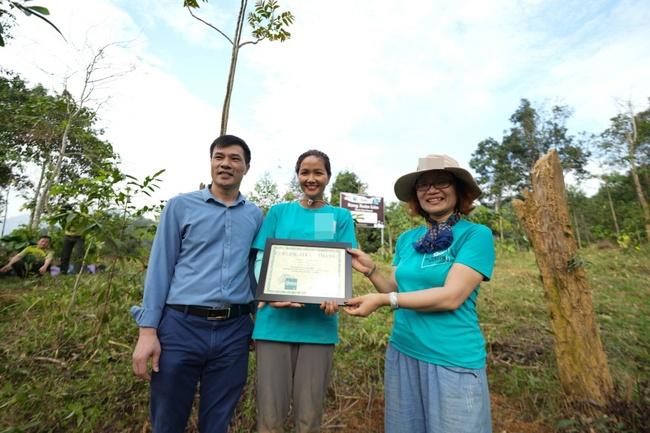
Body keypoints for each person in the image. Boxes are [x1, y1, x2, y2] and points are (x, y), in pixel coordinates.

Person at [344, 154, 496, 433]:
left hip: (452, 358)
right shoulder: (406, 240)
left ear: (459, 190)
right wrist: (371, 271)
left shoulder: (475, 235)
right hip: (403, 351)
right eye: (423, 184)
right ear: (415, 196)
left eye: (442, 182)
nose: (432, 190)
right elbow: (396, 291)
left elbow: (451, 296)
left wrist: (382, 301)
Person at [130, 135, 264, 433]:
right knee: (167, 420)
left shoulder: (255, 216)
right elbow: (160, 267)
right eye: (219, 157)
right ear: (211, 162)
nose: (226, 164)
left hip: (234, 331)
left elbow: (256, 271)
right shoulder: (180, 206)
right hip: (180, 327)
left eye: (234, 159)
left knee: (217, 423)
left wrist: (259, 321)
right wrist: (147, 331)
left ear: (247, 167)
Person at [252, 149, 358, 433]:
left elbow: (341, 263)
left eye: (318, 172)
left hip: (318, 325)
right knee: (269, 416)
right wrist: (270, 293)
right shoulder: (279, 212)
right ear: (297, 176)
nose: (311, 179)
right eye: (305, 172)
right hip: (273, 325)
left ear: (328, 177)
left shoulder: (337, 216)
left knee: (309, 418)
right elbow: (262, 257)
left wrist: (336, 294)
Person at [59, 205, 86, 275]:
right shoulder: (63, 217)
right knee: (64, 255)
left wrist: (79, 214)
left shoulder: (79, 216)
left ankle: (77, 273)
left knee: (78, 256)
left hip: (79, 238)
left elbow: (88, 217)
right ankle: (63, 273)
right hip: (67, 237)